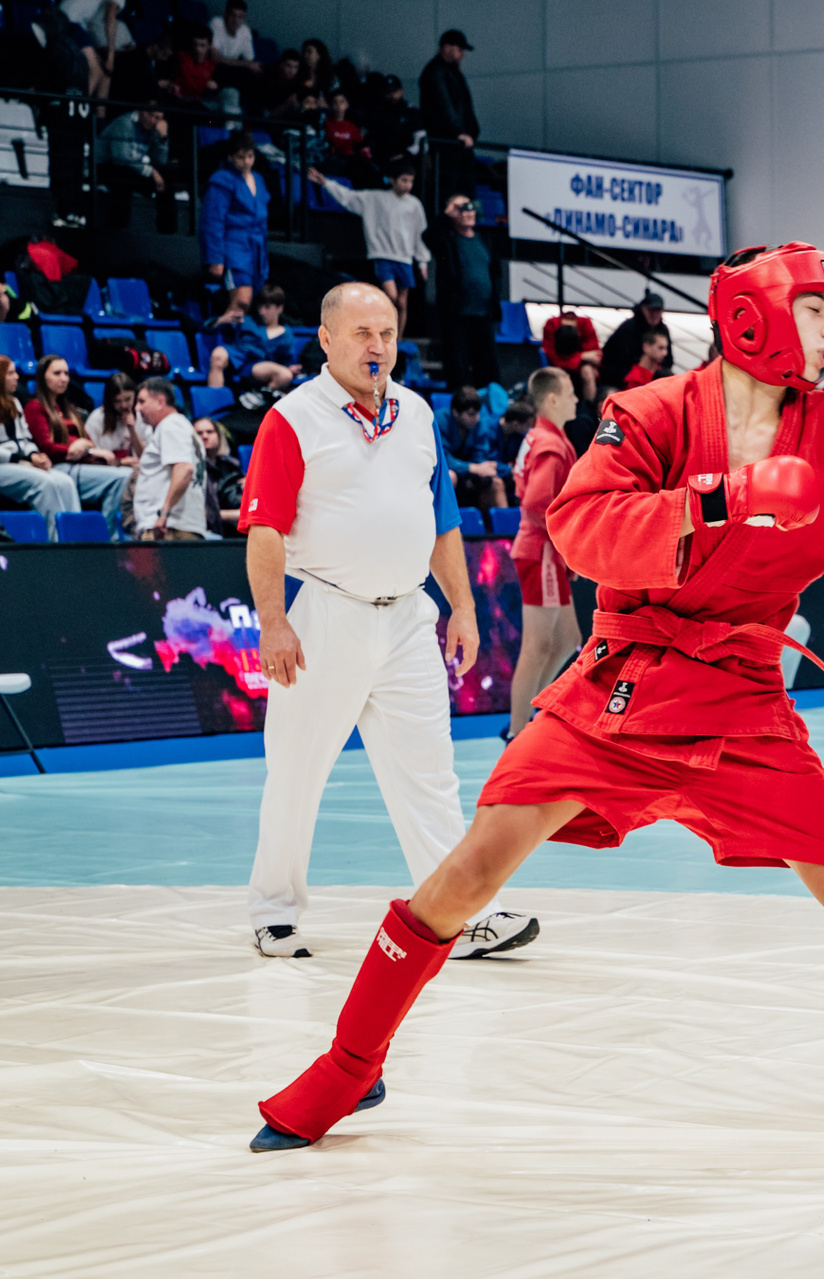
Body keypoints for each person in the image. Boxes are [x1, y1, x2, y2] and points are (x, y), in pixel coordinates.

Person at [247, 242, 824, 1156]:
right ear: (754, 317)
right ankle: (349, 1065)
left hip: (743, 703)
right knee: (470, 869)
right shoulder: (650, 412)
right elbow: (580, 526)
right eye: (815, 309)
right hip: (619, 689)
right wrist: (719, 499)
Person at [236, 282, 538, 961]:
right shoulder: (293, 418)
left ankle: (462, 914)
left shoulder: (417, 413)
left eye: (387, 334)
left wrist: (463, 606)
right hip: (327, 617)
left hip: (407, 620)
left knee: (430, 776)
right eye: (362, 334)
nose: (377, 347)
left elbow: (443, 521)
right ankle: (273, 910)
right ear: (326, 339)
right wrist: (273, 621)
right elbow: (264, 529)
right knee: (296, 771)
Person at [504, 368, 582, 740]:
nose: (576, 399)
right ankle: (517, 733)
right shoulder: (551, 444)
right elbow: (538, 504)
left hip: (544, 551)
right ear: (552, 399)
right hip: (543, 552)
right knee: (537, 648)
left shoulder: (539, 436)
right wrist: (567, 547)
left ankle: (528, 713)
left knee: (567, 639)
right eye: (570, 393)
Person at [0, 356, 94, 534]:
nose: (17, 377)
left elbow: (25, 439)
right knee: (44, 483)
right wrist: (19, 459)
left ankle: (76, 537)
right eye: (10, 373)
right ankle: (55, 541)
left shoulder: (14, 403)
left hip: (18, 463)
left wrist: (34, 455)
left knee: (65, 482)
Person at [308, 162, 430, 333]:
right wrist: (325, 182)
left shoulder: (414, 204)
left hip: (405, 259)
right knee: (391, 297)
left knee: (402, 303)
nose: (408, 185)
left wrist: (422, 262)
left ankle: (398, 339)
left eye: (410, 181)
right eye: (404, 180)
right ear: (392, 180)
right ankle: (385, 333)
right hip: (383, 256)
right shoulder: (374, 198)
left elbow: (418, 235)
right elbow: (348, 197)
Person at [23, 355, 129, 532]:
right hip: (57, 467)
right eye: (57, 373)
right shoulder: (35, 407)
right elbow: (46, 447)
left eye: (66, 373)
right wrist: (73, 448)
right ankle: (109, 536)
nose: (64, 378)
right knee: (121, 478)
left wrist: (84, 446)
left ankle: (109, 531)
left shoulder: (69, 409)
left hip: (80, 464)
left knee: (128, 474)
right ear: (43, 377)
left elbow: (88, 442)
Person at [429, 195, 500, 387]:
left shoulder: (484, 239)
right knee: (458, 367)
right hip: (458, 313)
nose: (468, 212)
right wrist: (447, 213)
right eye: (461, 209)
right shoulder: (447, 241)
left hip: (483, 312)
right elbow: (429, 237)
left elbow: (494, 273)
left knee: (488, 368)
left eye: (470, 207)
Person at [201, 133, 272, 317]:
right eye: (241, 157)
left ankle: (231, 333)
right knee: (241, 300)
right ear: (230, 157)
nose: (246, 161)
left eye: (250, 156)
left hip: (256, 248)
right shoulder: (222, 180)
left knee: (250, 303)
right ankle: (216, 332)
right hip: (234, 246)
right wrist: (215, 258)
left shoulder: (259, 180)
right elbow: (213, 221)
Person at [131, 378, 206, 541]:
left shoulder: (170, 425)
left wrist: (164, 513)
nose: (137, 408)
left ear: (160, 401)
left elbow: (184, 468)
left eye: (142, 401)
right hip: (181, 526)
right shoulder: (182, 426)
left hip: (169, 529)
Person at [418, 30, 480, 201]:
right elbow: (443, 106)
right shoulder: (436, 72)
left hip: (457, 142)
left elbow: (460, 107)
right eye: (459, 49)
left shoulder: (450, 72)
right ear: (446, 48)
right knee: (450, 191)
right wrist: (458, 132)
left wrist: (470, 132)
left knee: (461, 190)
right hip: (448, 143)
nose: (462, 55)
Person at [207, 286, 301, 398]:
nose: (262, 312)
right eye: (260, 306)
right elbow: (209, 327)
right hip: (237, 355)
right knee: (217, 355)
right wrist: (221, 320)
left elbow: (286, 360)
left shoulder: (286, 334)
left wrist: (290, 368)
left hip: (259, 366)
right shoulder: (247, 321)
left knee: (285, 375)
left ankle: (258, 401)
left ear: (279, 308)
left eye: (267, 307)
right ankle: (214, 402)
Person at [101, 103, 177, 233]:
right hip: (106, 166)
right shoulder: (125, 123)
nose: (156, 122)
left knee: (166, 179)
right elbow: (121, 158)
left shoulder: (152, 128)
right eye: (154, 117)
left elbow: (160, 161)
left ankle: (168, 232)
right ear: (143, 112)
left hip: (132, 168)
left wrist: (162, 138)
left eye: (159, 118)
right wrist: (151, 172)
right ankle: (119, 230)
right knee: (123, 175)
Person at [436, 386, 506, 509]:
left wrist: (485, 467)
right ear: (455, 412)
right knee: (450, 476)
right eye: (471, 414)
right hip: (445, 472)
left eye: (478, 413)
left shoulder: (479, 424)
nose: (476, 418)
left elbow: (479, 455)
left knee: (496, 482)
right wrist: (471, 468)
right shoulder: (439, 420)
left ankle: (496, 522)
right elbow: (442, 458)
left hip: (467, 476)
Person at [595, 293, 671, 390]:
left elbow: (668, 360)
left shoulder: (663, 330)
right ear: (643, 309)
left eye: (658, 310)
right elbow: (612, 358)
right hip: (620, 377)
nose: (655, 314)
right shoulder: (628, 328)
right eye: (651, 310)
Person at [196, 415, 244, 534]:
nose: (205, 436)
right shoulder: (193, 468)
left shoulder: (231, 466)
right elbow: (199, 513)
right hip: (207, 531)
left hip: (234, 528)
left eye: (210, 432)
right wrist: (235, 515)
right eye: (199, 433)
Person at [85, 372, 146, 462]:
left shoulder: (142, 416)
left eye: (128, 399)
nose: (123, 405)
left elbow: (145, 458)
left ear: (135, 395)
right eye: (117, 401)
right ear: (110, 401)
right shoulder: (96, 418)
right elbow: (89, 457)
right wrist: (120, 462)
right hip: (105, 468)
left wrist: (132, 431)